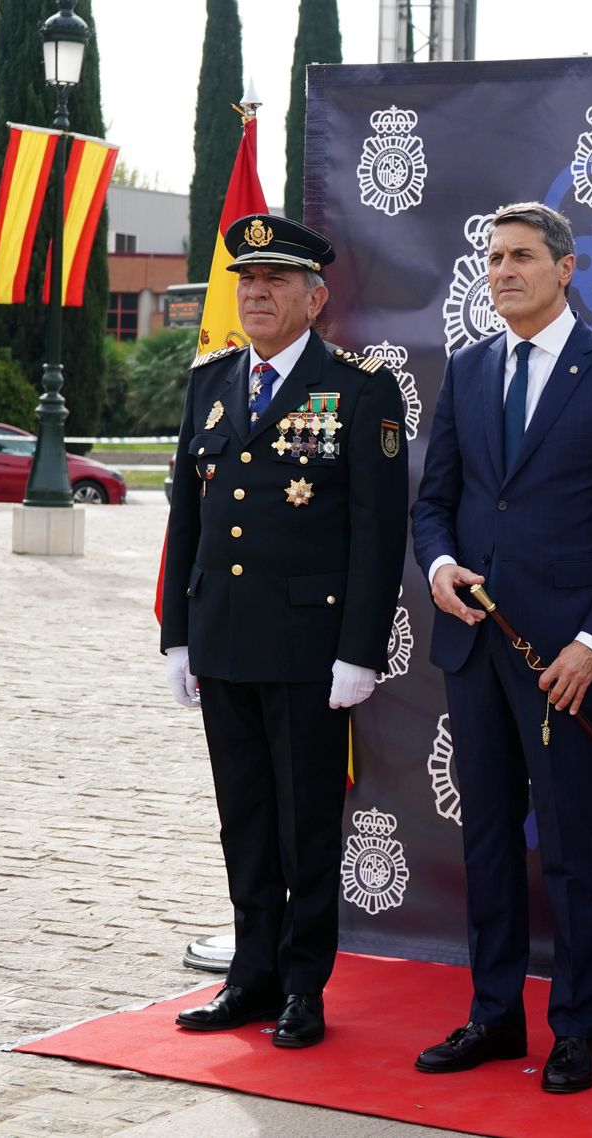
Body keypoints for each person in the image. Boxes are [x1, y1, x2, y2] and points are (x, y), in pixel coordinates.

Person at [410, 201, 592, 1094]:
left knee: (569, 848)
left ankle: (575, 1030)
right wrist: (439, 563)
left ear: (566, 268)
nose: (503, 271)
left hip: (566, 663)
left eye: (522, 256)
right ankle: (491, 1016)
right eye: (492, 258)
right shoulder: (470, 368)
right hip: (476, 648)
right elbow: (435, 499)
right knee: (485, 841)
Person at [160, 214, 409, 1049]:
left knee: (306, 824)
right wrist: (178, 635)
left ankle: (305, 986)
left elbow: (379, 532)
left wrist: (360, 652)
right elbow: (187, 515)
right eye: (246, 281)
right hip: (225, 640)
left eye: (274, 281)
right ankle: (252, 975)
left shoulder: (359, 389)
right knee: (245, 819)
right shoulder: (211, 380)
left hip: (312, 650)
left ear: (315, 295)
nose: (256, 293)